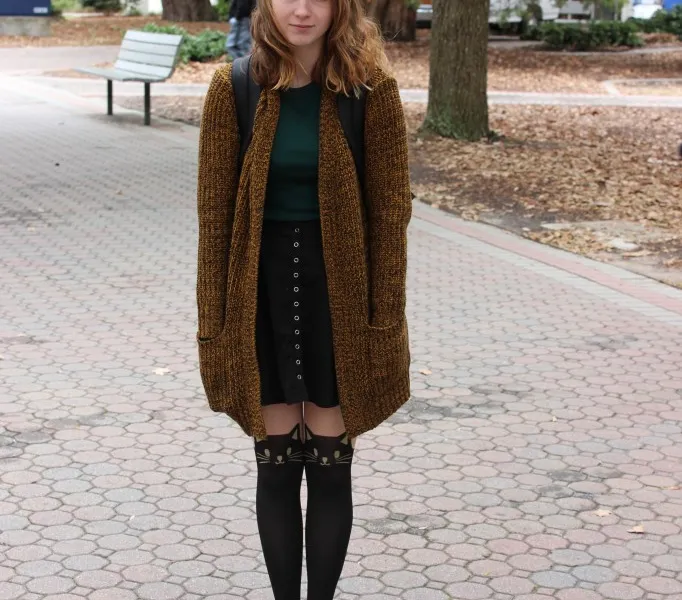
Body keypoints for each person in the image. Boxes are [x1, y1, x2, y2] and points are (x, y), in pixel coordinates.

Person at [195, 0, 411, 597]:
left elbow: (390, 215)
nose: (302, 9)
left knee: (331, 469)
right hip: (257, 295)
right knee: (276, 471)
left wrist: (382, 317)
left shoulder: (371, 90)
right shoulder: (235, 87)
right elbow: (214, 218)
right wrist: (214, 321)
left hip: (339, 300)